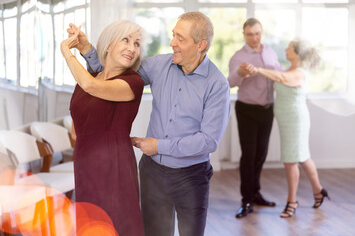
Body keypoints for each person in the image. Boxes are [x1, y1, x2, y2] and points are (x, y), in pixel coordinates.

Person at [69, 12, 230, 236]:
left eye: (180, 39)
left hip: (191, 177)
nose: (172, 42)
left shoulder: (217, 84)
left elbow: (208, 140)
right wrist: (87, 50)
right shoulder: (159, 65)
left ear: (200, 45)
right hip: (152, 173)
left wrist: (159, 146)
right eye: (173, 35)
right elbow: (114, 73)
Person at [61, 20, 145, 235]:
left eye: (136, 43)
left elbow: (91, 87)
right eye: (125, 40)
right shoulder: (89, 77)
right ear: (108, 45)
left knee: (115, 223)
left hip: (113, 164)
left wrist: (67, 52)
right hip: (85, 162)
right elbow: (75, 129)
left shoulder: (133, 81)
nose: (132, 48)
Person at [241, 38, 329, 218]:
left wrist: (257, 69)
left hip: (295, 121)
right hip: (287, 120)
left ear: (296, 53)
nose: (286, 49)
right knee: (303, 157)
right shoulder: (288, 68)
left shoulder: (299, 73)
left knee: (291, 160)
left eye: (289, 47)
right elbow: (279, 75)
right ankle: (319, 191)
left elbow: (281, 78)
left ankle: (292, 201)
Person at [228, 18, 281, 218]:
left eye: (257, 33)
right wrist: (241, 72)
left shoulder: (270, 51)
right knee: (249, 156)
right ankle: (246, 199)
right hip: (247, 109)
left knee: (261, 154)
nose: (254, 37)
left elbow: (279, 73)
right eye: (250, 34)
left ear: (262, 32)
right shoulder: (238, 56)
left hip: (268, 108)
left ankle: (256, 193)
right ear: (244, 34)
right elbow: (231, 81)